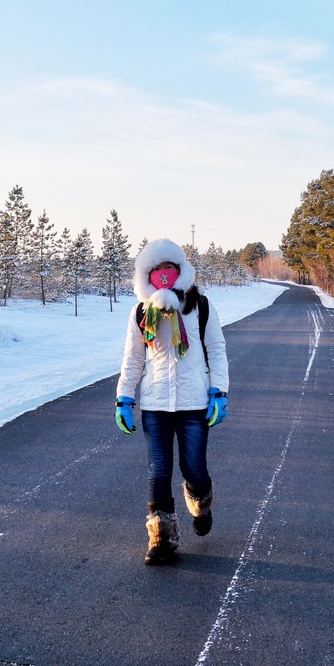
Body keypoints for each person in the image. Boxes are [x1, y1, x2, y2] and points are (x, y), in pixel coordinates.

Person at [114, 238, 229, 565]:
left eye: (170, 269)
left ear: (180, 272)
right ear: (146, 276)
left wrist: (218, 392)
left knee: (194, 469)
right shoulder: (140, 313)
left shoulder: (201, 306)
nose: (163, 276)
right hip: (155, 405)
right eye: (157, 270)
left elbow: (217, 352)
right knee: (159, 470)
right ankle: (162, 539)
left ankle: (201, 503)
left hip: (194, 404)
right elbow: (133, 358)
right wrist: (124, 397)